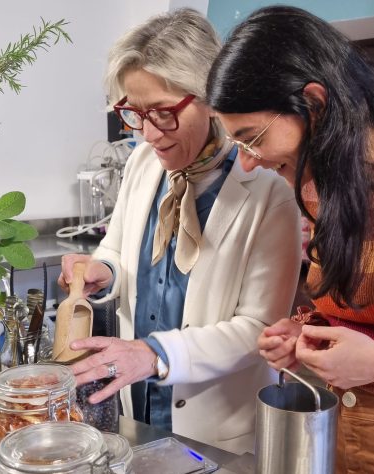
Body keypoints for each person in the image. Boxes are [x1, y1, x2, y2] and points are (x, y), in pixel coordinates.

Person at [206, 5, 374, 473]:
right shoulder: (319, 187)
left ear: (315, 105)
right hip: (336, 422)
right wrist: (309, 331)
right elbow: (360, 309)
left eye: (251, 138)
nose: (248, 163)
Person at [58, 8, 301, 455]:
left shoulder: (270, 191)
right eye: (133, 113)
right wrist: (104, 271)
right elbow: (119, 246)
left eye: (163, 113)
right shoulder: (143, 164)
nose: (148, 133)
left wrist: (155, 354)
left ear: (209, 97)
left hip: (217, 429)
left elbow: (260, 329)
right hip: (140, 408)